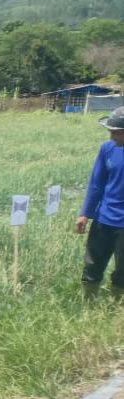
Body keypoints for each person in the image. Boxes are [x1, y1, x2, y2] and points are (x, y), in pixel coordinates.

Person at [77, 106, 124, 299]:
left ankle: (116, 305)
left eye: (116, 132)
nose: (111, 136)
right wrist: (84, 213)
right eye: (110, 131)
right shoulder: (107, 148)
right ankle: (89, 302)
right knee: (92, 266)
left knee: (122, 271)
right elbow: (96, 183)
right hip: (103, 218)